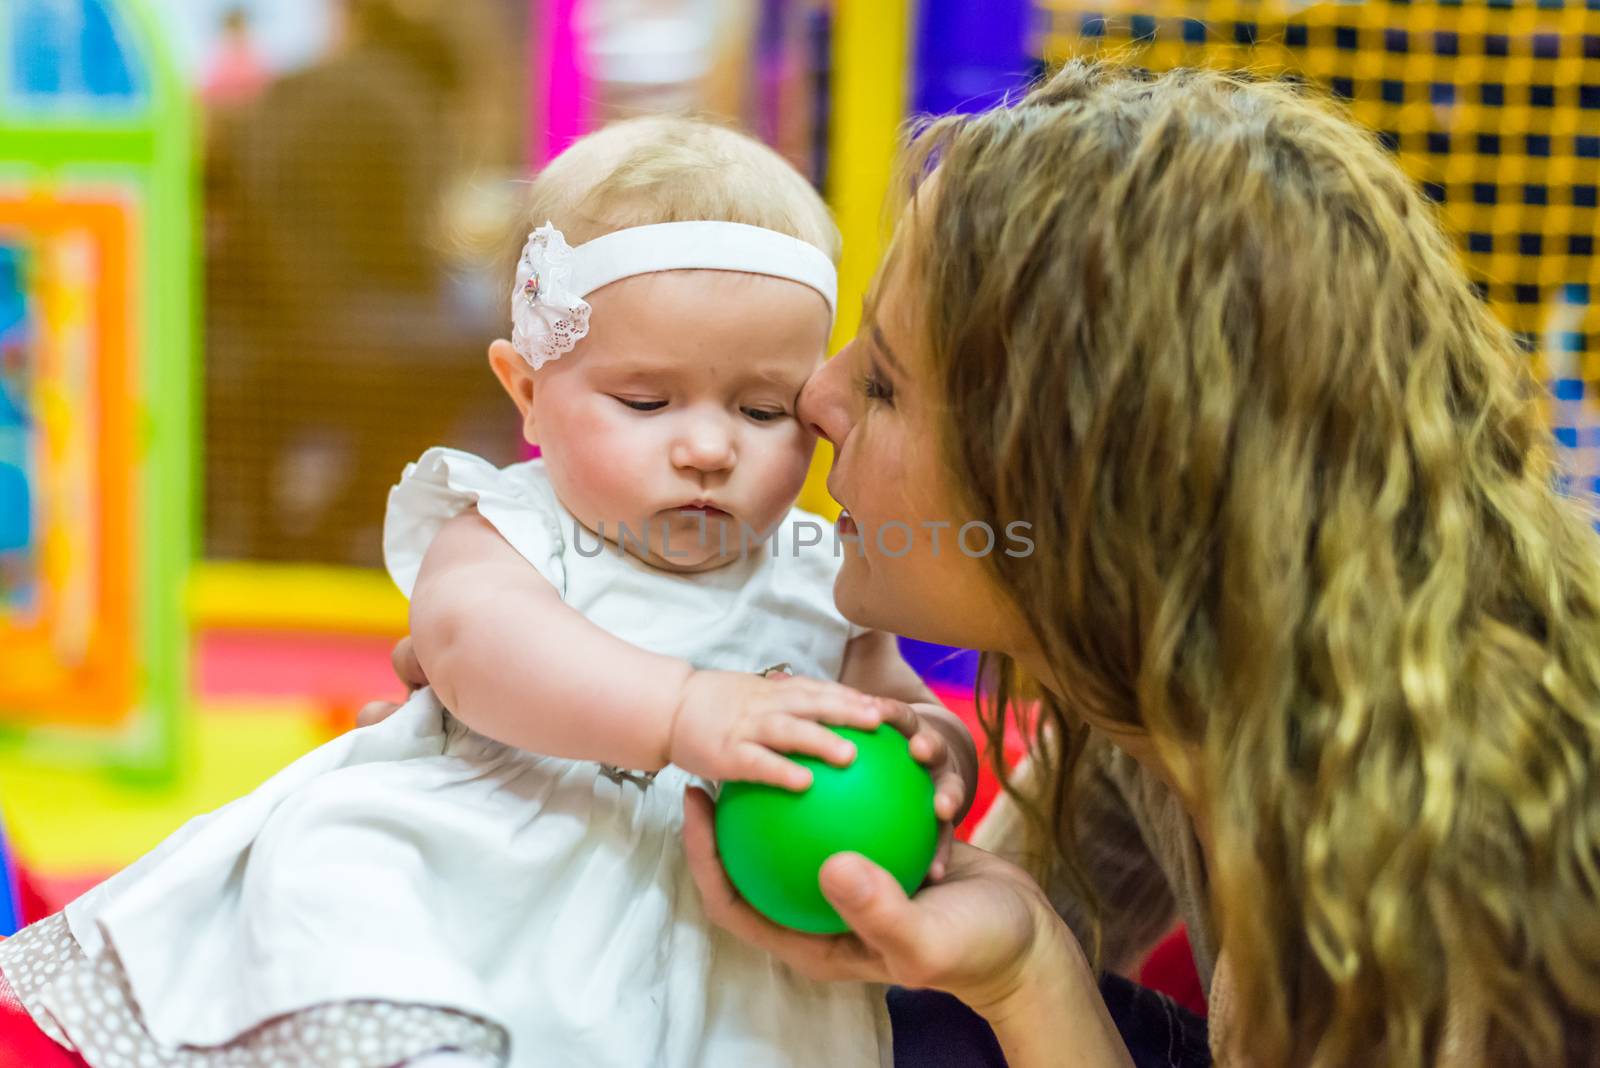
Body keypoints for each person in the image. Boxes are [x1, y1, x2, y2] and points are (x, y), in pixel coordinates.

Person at [373, 61, 1600, 1067]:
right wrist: (560, 702)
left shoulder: (1464, 907)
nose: (814, 397)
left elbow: (1004, 968)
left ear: (1076, 479)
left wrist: (1027, 984)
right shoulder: (1146, 686)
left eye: (888, 382)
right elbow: (955, 921)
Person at [0, 117, 979, 1068]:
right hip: (485, 885)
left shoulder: (813, 566)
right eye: (646, 401)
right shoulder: (510, 527)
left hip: (731, 940)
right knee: (351, 920)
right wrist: (684, 708)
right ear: (526, 392)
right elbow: (478, 647)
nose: (710, 447)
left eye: (765, 410)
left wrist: (931, 753)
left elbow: (884, 696)